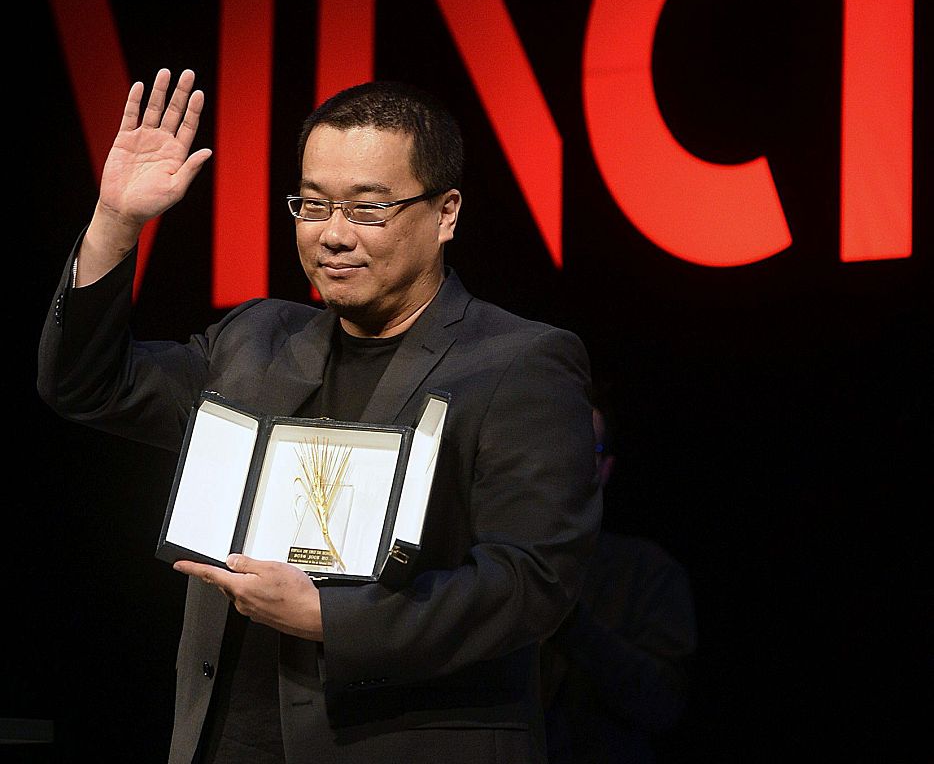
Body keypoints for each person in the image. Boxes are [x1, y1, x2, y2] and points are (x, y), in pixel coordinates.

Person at [38, 68, 600, 764]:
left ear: (445, 212)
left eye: (367, 209)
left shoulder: (518, 364)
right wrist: (118, 221)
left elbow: (532, 586)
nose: (333, 235)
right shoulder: (256, 340)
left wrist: (332, 618)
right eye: (311, 205)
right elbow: (85, 384)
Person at [540, 405, 697, 763]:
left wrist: (572, 620)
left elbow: (662, 705)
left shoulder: (649, 571)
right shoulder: (486, 562)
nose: (567, 460)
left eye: (585, 449)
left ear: (605, 469)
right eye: (555, 444)